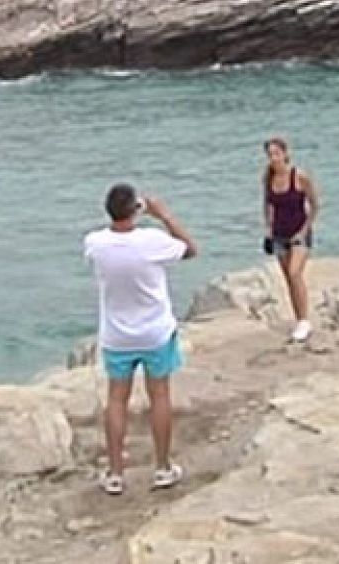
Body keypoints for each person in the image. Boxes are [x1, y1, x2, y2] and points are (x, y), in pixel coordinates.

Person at [83, 184, 199, 496]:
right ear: (137, 209)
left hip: (117, 335)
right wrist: (163, 215)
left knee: (116, 400)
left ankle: (115, 473)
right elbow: (190, 249)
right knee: (159, 396)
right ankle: (162, 467)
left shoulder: (95, 243)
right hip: (155, 332)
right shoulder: (153, 241)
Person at [261, 136, 320, 342]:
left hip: (299, 232)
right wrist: (268, 229)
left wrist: (305, 230)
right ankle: (299, 320)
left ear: (285, 154)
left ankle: (305, 321)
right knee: (288, 279)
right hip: (279, 233)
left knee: (295, 273)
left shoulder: (299, 176)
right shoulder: (268, 178)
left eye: (277, 153)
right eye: (270, 155)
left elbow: (314, 205)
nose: (274, 158)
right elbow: (267, 205)